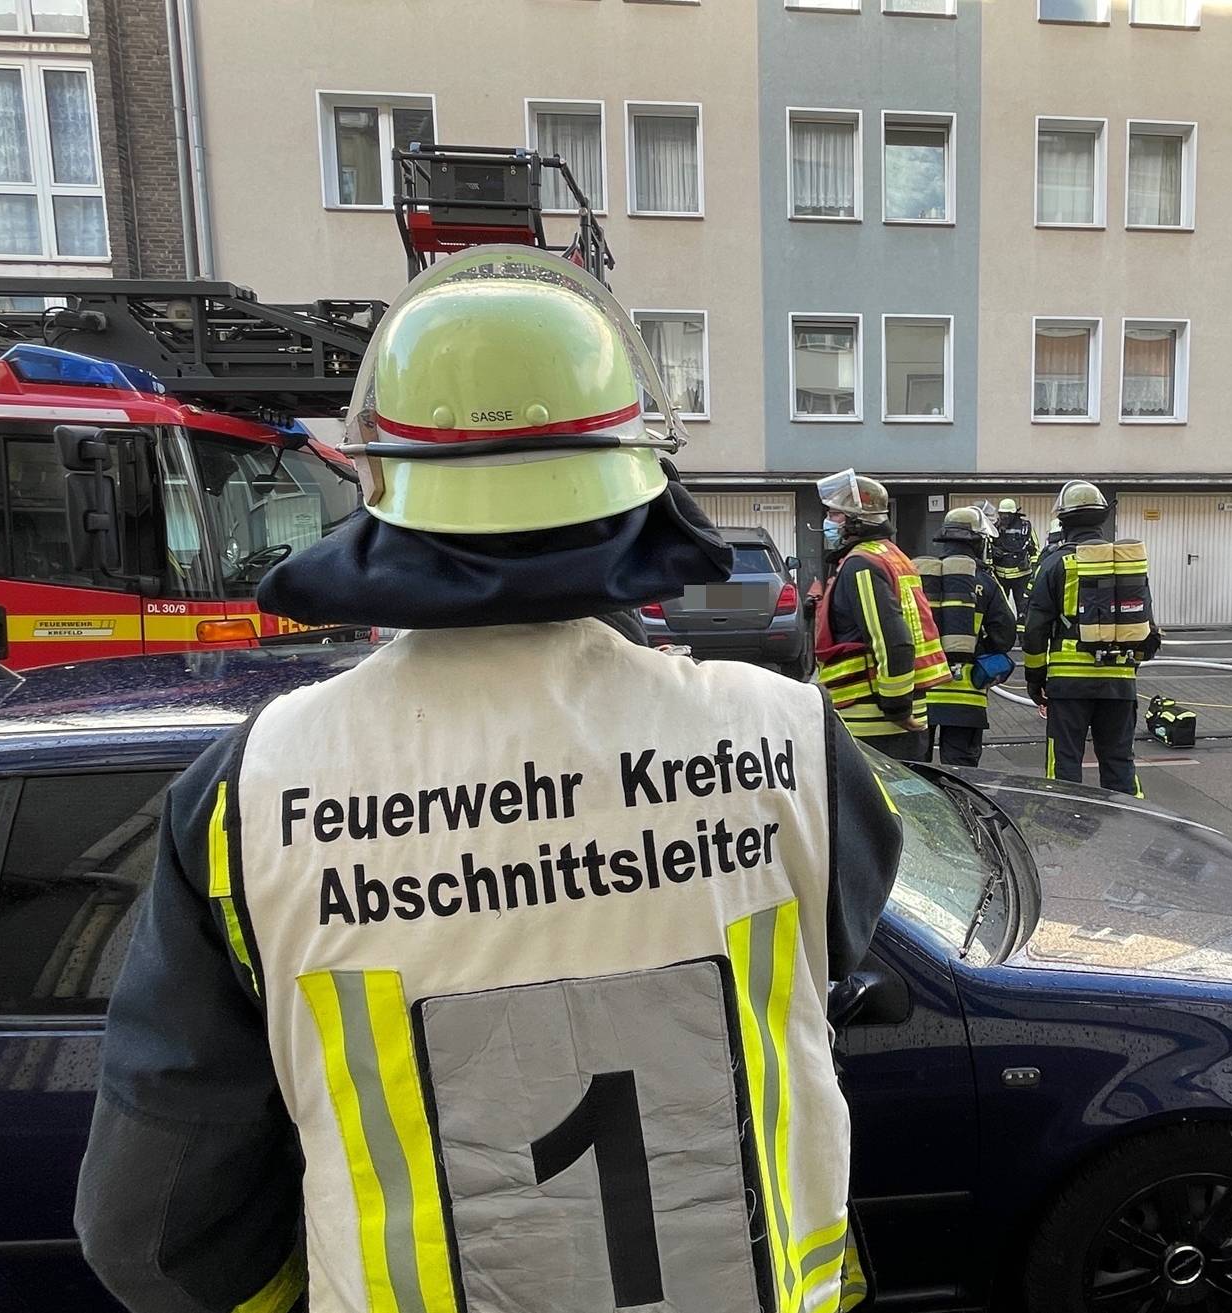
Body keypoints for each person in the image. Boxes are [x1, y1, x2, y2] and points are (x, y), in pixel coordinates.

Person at [74, 247, 902, 1313]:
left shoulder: (251, 793)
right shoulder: (788, 738)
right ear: (645, 472)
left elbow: (149, 1233)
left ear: (375, 479)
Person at [1021, 479, 1160, 796]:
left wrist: (1035, 678)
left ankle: (1067, 824)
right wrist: (1128, 667)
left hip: (1068, 684)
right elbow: (1147, 631)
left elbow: (1034, 629)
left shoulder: (1055, 564)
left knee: (1065, 762)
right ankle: (1130, 823)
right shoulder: (1126, 567)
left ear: (1063, 520)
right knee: (1119, 760)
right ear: (1101, 517)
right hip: (1119, 681)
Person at [813, 469, 950, 762]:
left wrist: (896, 706)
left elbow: (893, 641)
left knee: (875, 805)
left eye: (834, 515)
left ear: (855, 521)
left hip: (873, 718)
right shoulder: (890, 554)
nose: (828, 522)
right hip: (900, 710)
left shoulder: (860, 564)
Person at [916, 506, 1017, 767]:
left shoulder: (919, 579)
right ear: (979, 543)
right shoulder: (986, 581)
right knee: (962, 776)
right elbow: (1005, 637)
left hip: (921, 694)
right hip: (966, 698)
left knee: (915, 773)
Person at [988, 496, 1039, 622]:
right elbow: (987, 548)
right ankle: (1004, 638)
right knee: (1000, 609)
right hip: (1000, 576)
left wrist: (1035, 570)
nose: (1003, 518)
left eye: (1007, 515)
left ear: (1014, 514)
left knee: (1023, 609)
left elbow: (1034, 550)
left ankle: (1023, 639)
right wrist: (993, 551)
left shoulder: (1025, 527)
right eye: (1002, 514)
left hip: (1021, 576)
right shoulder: (995, 527)